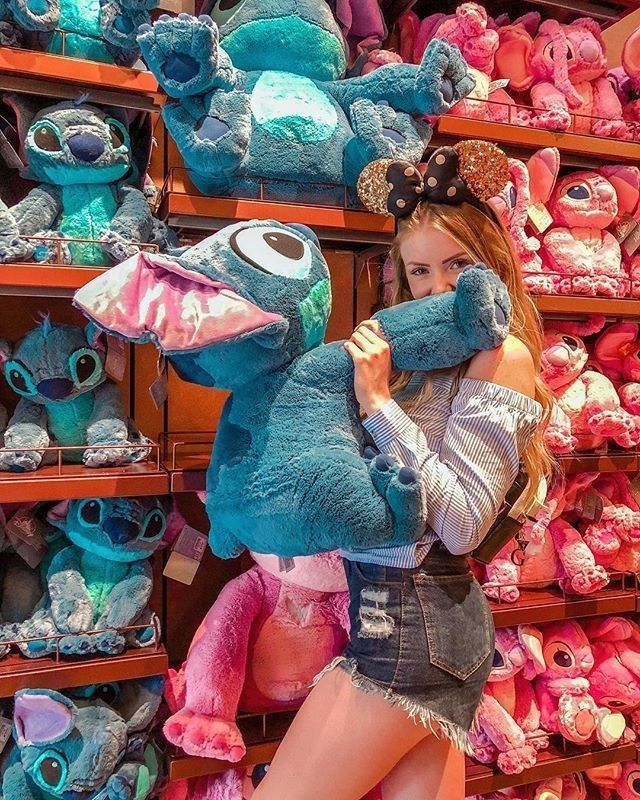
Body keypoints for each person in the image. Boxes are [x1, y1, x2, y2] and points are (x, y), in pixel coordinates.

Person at [252, 142, 553, 800]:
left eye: (458, 266)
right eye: (419, 273)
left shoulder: (503, 359)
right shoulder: (424, 360)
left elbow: (463, 525)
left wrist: (380, 405)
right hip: (402, 626)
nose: (437, 290)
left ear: (493, 264)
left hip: (416, 635)